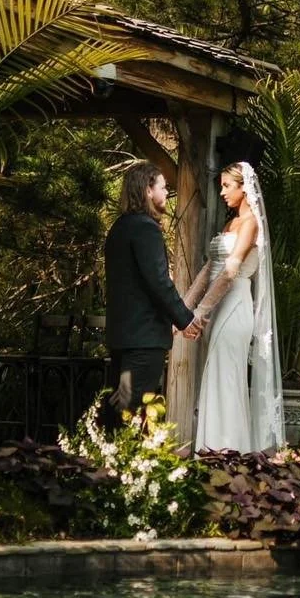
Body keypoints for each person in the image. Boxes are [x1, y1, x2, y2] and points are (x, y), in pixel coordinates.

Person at [185, 161, 285, 452]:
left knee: (227, 380)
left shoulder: (252, 223)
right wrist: (183, 312)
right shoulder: (230, 224)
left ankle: (229, 453)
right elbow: (209, 270)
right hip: (218, 309)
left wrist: (199, 315)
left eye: (227, 186)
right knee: (215, 378)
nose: (223, 193)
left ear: (245, 188)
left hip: (235, 306)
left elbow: (230, 272)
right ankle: (210, 452)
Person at [104, 161, 201, 422]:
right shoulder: (146, 229)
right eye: (163, 187)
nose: (166, 193)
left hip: (124, 337)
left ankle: (111, 457)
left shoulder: (119, 228)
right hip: (144, 340)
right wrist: (185, 318)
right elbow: (158, 281)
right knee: (133, 411)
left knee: (121, 407)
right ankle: (125, 460)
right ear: (148, 190)